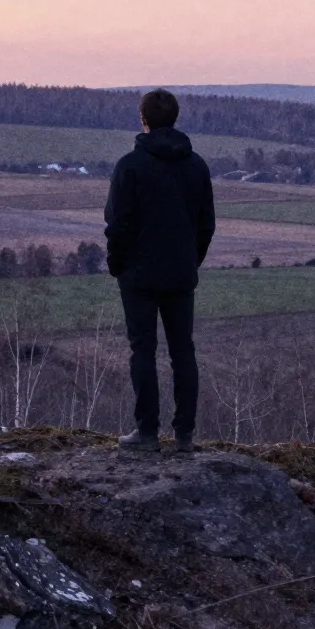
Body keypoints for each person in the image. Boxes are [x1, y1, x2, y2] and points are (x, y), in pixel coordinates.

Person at [104, 88, 215, 451]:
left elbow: (117, 224)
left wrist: (117, 265)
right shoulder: (196, 166)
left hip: (138, 275)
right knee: (183, 351)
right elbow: (206, 224)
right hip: (180, 273)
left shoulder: (130, 166)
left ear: (144, 120)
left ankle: (147, 432)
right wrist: (190, 260)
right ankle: (184, 435)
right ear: (175, 118)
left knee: (143, 351)